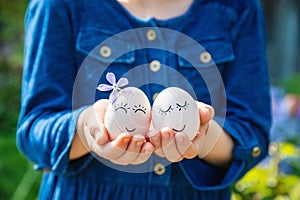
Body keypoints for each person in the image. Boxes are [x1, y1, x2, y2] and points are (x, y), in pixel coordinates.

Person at [16, 0, 272, 199]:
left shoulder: (237, 8)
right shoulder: (59, 5)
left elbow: (252, 134)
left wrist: (202, 136)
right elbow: (34, 131)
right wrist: (88, 129)